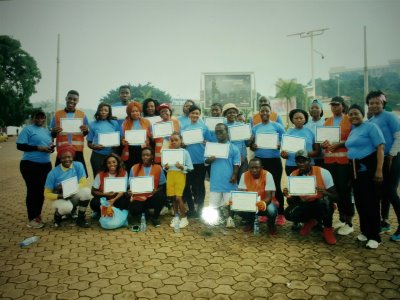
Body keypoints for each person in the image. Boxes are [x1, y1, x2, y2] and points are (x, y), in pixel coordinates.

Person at [345, 104, 385, 249]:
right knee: (360, 202)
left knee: (371, 203)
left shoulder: (371, 127)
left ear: (362, 114)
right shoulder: (353, 129)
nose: (353, 116)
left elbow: (380, 147)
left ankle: (375, 236)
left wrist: (379, 170)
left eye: (356, 113)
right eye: (350, 114)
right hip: (355, 172)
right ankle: (365, 231)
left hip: (369, 170)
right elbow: (352, 145)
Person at [283, 150, 338, 245]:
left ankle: (328, 230)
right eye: (298, 161)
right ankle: (310, 221)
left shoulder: (323, 172)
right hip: (305, 204)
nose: (301, 164)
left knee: (325, 201)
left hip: (320, 203)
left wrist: (325, 192)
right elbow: (293, 201)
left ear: (309, 160)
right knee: (289, 213)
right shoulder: (293, 175)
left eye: (304, 161)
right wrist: (288, 195)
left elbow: (336, 197)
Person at [366, 91, 400, 241]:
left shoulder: (390, 116)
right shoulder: (372, 119)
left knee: (391, 192)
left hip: (393, 158)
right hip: (380, 159)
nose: (374, 105)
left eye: (377, 102)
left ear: (383, 103)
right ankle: (385, 222)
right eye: (371, 103)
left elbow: (399, 136)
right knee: (382, 192)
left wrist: (391, 155)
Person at [321, 96, 354, 236]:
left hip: (344, 162)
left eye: (337, 105)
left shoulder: (349, 120)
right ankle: (341, 219)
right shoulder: (327, 121)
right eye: (332, 105)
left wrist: (340, 144)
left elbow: (353, 139)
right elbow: (323, 141)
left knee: (345, 191)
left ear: (343, 106)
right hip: (330, 162)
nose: (334, 107)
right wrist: (323, 144)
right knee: (336, 191)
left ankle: (349, 222)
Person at [250, 103, 286, 226]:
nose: (264, 113)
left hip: (274, 161)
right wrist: (253, 146)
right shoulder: (255, 128)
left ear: (271, 113)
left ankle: (281, 214)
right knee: (262, 188)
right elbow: (252, 145)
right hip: (260, 161)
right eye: (262, 111)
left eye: (267, 111)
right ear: (259, 113)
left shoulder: (277, 126)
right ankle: (264, 212)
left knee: (276, 187)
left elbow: (285, 142)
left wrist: (279, 145)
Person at [17, 110, 54, 228]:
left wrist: (50, 149)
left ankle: (37, 215)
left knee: (41, 191)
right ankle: (32, 218)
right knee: (33, 191)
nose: (40, 120)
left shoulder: (47, 131)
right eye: (37, 118)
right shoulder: (28, 129)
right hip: (30, 164)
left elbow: (48, 146)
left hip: (45, 165)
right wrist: (38, 148)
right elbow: (20, 145)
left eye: (42, 118)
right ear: (33, 118)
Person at [44, 144, 92, 228]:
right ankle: (57, 215)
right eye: (63, 157)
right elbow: (47, 193)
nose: (67, 159)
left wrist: (69, 189)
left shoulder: (78, 165)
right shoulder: (53, 173)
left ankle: (80, 219)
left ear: (72, 157)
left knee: (87, 192)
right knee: (66, 207)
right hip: (61, 197)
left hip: (73, 193)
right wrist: (60, 195)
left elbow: (83, 182)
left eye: (69, 157)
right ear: (60, 158)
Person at [205, 123, 241, 228]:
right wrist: (209, 160)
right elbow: (206, 161)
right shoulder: (212, 147)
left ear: (227, 132)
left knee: (230, 202)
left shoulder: (234, 148)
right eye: (217, 132)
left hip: (229, 180)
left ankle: (230, 219)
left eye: (221, 131)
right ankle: (217, 218)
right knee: (214, 203)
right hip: (215, 181)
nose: (218, 134)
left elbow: (236, 163)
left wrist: (234, 175)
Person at [50, 90, 89, 175]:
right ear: (66, 99)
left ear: (78, 101)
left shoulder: (82, 115)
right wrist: (53, 132)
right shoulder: (57, 115)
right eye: (70, 98)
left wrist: (86, 131)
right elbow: (52, 134)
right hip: (62, 150)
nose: (72, 101)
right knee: (61, 176)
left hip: (77, 151)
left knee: (79, 176)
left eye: (75, 99)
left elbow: (85, 133)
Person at [181, 105, 211, 217]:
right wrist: (183, 144)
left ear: (200, 115)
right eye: (193, 113)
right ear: (189, 114)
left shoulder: (204, 127)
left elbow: (209, 141)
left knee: (200, 185)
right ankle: (191, 209)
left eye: (197, 113)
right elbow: (181, 143)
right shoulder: (184, 127)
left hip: (200, 160)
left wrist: (206, 142)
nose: (195, 115)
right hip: (188, 161)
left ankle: (200, 208)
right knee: (187, 185)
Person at [238, 158, 278, 235]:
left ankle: (271, 225)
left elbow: (269, 196)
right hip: (250, 202)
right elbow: (242, 194)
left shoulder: (268, 175)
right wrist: (235, 201)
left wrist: (262, 203)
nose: (254, 170)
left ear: (261, 167)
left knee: (272, 210)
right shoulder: (244, 175)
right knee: (238, 208)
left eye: (257, 167)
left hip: (265, 202)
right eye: (251, 168)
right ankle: (250, 223)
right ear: (248, 168)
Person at [128, 147, 166, 227]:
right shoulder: (134, 168)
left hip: (152, 196)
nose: (145, 157)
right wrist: (129, 191)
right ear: (141, 156)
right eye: (143, 155)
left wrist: (156, 190)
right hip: (139, 197)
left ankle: (155, 218)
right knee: (133, 209)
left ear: (152, 156)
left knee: (161, 196)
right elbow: (130, 185)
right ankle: (145, 213)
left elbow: (162, 185)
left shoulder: (158, 168)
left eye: (148, 155)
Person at [163, 132, 193, 229]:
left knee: (178, 197)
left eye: (176, 140)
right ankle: (176, 217)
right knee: (172, 198)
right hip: (170, 175)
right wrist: (166, 167)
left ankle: (184, 218)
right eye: (172, 140)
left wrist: (181, 167)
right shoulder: (167, 152)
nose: (174, 142)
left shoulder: (185, 152)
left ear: (181, 141)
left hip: (180, 175)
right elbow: (164, 167)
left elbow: (190, 168)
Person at [281, 109, 320, 176]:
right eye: (296, 118)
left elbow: (317, 151)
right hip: (291, 165)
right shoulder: (287, 133)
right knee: (293, 185)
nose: (299, 120)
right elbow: (283, 153)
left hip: (308, 165)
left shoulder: (311, 132)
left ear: (305, 119)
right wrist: (284, 155)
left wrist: (305, 154)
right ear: (292, 120)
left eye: (301, 118)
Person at [90, 153, 129, 219]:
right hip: (104, 198)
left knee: (125, 201)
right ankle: (101, 212)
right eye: (109, 163)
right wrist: (105, 193)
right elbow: (93, 191)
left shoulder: (124, 173)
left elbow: (123, 190)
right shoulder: (100, 175)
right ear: (106, 164)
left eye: (114, 162)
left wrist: (114, 199)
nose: (112, 164)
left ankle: (116, 212)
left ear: (118, 163)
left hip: (117, 198)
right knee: (94, 203)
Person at [87, 103, 120, 177]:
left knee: (112, 177)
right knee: (98, 178)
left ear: (109, 112)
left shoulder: (114, 123)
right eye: (101, 110)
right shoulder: (92, 124)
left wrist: (117, 144)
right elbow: (89, 143)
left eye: (106, 110)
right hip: (98, 156)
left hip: (112, 155)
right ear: (98, 111)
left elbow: (119, 138)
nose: (103, 112)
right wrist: (95, 147)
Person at [120, 102, 151, 172]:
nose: (135, 113)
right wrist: (123, 142)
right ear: (129, 113)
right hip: (130, 151)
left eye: (137, 111)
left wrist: (148, 140)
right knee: (132, 170)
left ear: (140, 111)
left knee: (143, 170)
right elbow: (122, 138)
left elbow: (151, 136)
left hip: (143, 150)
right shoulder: (124, 124)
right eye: (132, 111)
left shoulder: (147, 122)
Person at [222, 103, 250, 182]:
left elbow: (246, 143)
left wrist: (251, 138)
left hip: (242, 159)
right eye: (229, 112)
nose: (232, 114)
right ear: (225, 114)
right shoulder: (222, 126)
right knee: (231, 180)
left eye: (234, 112)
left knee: (242, 181)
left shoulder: (242, 126)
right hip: (229, 159)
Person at [304, 99, 325, 167]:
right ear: (309, 110)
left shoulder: (326, 121)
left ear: (321, 110)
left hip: (324, 157)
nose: (314, 109)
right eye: (312, 108)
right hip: (309, 157)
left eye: (317, 108)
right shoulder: (306, 123)